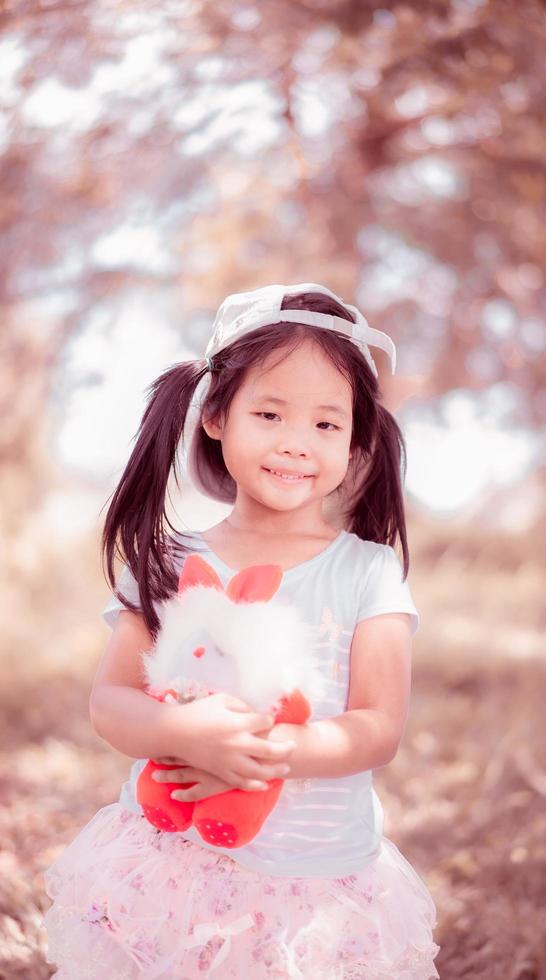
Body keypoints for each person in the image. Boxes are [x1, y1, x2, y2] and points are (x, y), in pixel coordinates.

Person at [42, 282, 441, 978]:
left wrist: (269, 750)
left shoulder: (367, 573)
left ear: (353, 443)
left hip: (316, 878)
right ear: (217, 416)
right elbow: (111, 701)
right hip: (173, 866)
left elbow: (378, 725)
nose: (297, 443)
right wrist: (181, 733)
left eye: (326, 424)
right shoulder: (170, 561)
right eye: (270, 413)